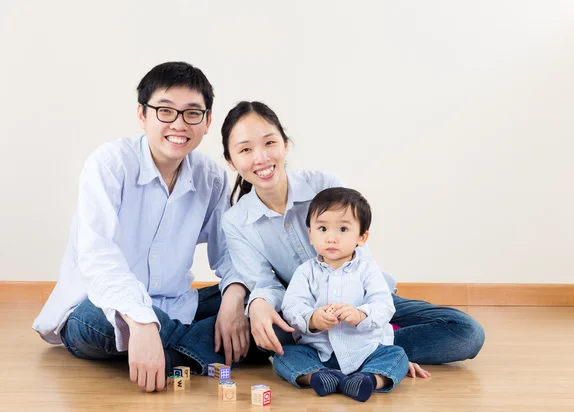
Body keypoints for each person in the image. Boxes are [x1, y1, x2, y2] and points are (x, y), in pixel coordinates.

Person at [220, 101, 485, 378]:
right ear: (230, 161)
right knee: (266, 327)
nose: (261, 157)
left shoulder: (324, 184)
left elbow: (362, 260)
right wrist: (260, 301)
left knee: (467, 333)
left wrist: (373, 334)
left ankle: (375, 352)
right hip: (309, 314)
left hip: (364, 301)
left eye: (269, 142)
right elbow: (265, 284)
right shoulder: (236, 221)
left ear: (285, 145)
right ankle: (369, 357)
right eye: (245, 149)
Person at [32, 62, 251, 392]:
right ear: (142, 114)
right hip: (100, 308)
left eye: (192, 113)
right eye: (165, 111)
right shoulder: (109, 163)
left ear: (207, 122)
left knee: (258, 300)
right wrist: (140, 319)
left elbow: (232, 253)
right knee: (96, 318)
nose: (178, 123)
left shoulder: (211, 177)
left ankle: (173, 348)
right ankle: (208, 348)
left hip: (175, 305)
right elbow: (98, 257)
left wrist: (235, 300)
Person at [275, 187, 408, 402]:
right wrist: (313, 319)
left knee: (397, 355)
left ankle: (369, 379)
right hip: (319, 352)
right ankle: (318, 377)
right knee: (284, 356)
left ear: (362, 237)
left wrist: (361, 315)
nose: (331, 238)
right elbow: (292, 306)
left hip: (366, 351)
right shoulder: (305, 272)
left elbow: (384, 305)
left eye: (343, 229)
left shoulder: (368, 271)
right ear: (310, 234)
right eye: (322, 228)